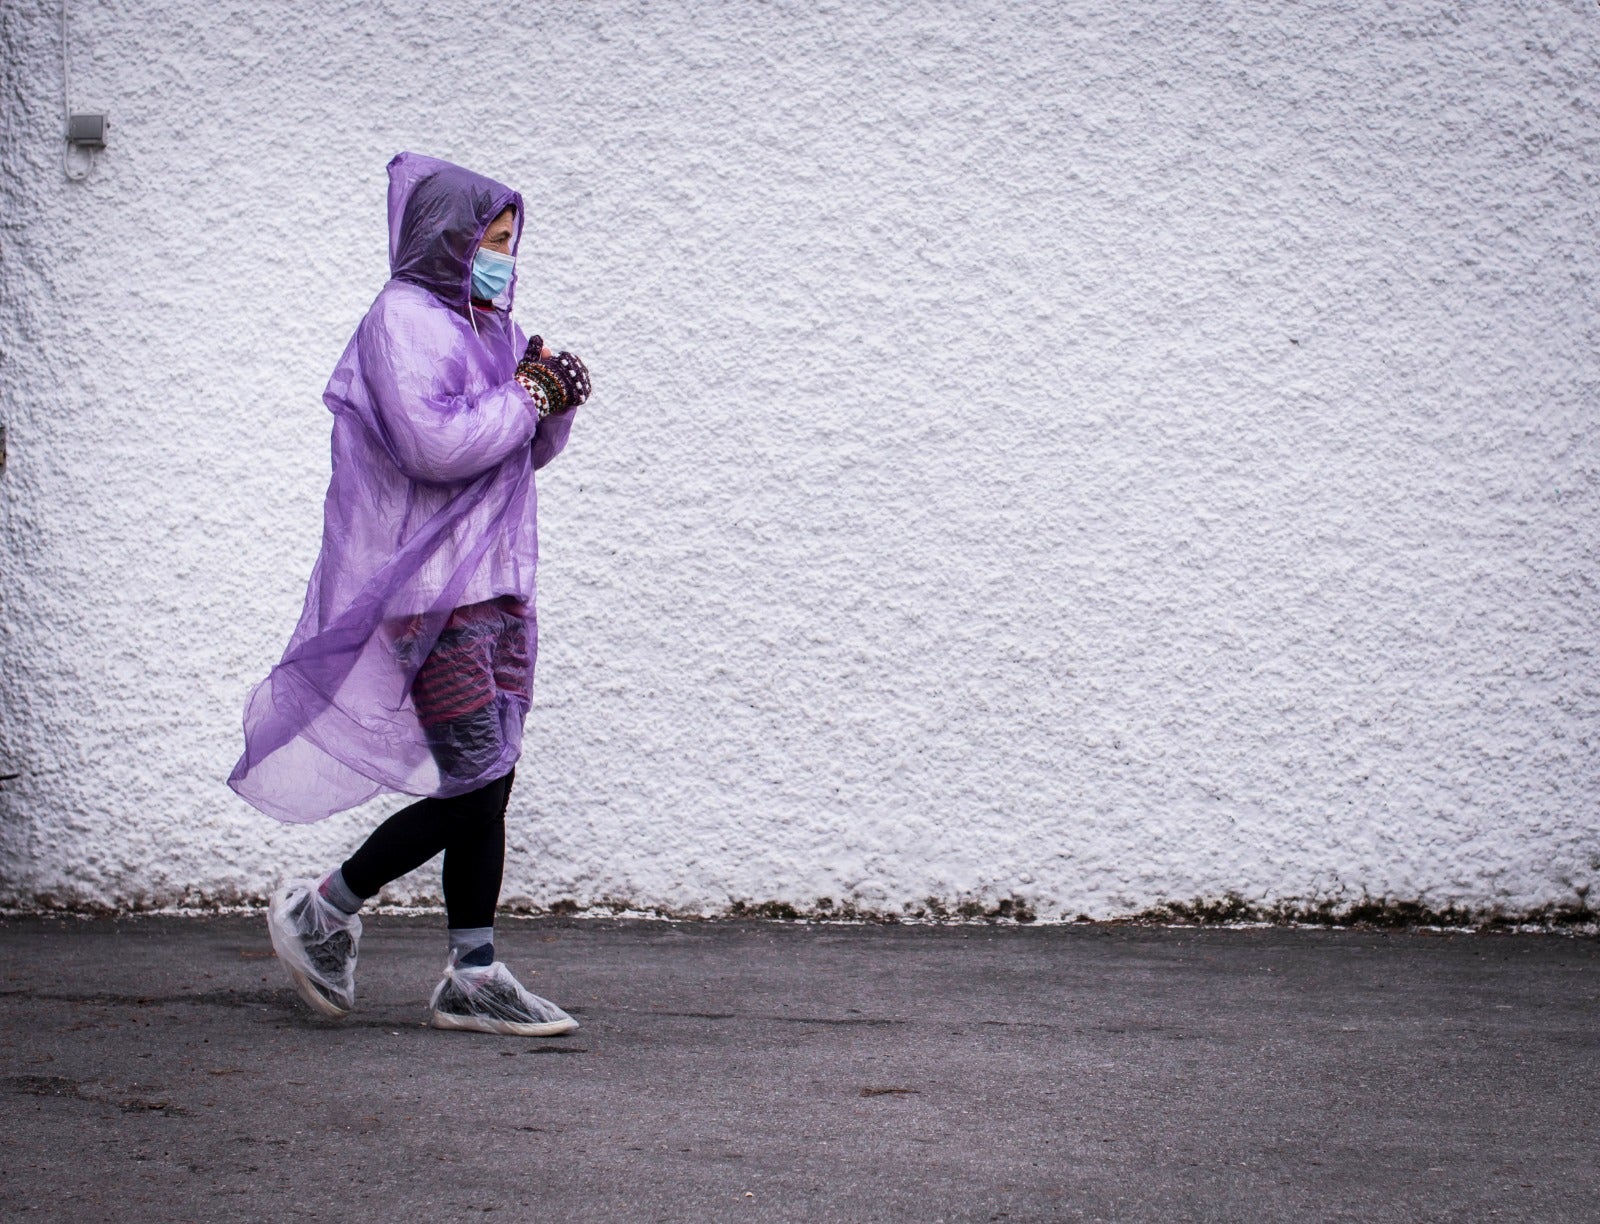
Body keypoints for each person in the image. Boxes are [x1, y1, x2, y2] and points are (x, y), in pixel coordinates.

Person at [228, 152, 590, 1036]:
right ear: (448, 239)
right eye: (491, 241)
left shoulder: (489, 324)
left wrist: (553, 400)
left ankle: (470, 969)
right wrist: (523, 398)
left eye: (511, 242)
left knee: (488, 779)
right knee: (477, 776)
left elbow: (520, 449)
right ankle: (333, 908)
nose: (504, 257)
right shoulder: (401, 320)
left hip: (496, 583)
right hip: (432, 595)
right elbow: (434, 446)